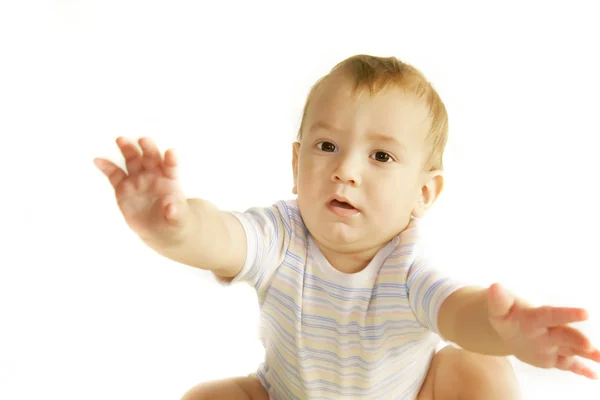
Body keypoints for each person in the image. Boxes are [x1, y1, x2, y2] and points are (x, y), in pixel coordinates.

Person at [94, 54, 600, 400]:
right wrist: (174, 224)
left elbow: (455, 311)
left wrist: (502, 330)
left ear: (423, 193)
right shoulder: (280, 236)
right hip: (286, 392)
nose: (346, 170)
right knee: (208, 398)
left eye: (381, 155)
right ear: (296, 164)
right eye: (327, 146)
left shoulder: (406, 267)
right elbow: (222, 237)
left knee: (480, 368)